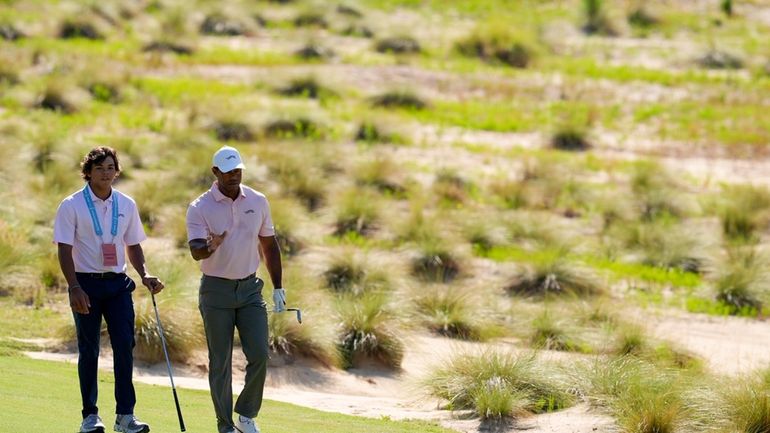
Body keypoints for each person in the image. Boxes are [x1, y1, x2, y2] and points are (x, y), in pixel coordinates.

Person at [54, 146, 164, 433]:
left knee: (125, 347)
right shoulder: (71, 204)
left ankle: (125, 416)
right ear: (88, 172)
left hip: (117, 285)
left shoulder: (126, 204)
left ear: (117, 171)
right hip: (85, 284)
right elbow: (64, 250)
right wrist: (74, 286)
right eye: (100, 167)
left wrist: (145, 274)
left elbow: (133, 244)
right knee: (88, 349)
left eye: (111, 167)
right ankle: (90, 416)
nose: (106, 173)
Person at [186, 145, 285, 433]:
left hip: (250, 289)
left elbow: (269, 244)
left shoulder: (257, 200)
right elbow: (195, 250)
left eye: (238, 170)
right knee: (221, 361)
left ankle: (246, 415)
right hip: (215, 291)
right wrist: (209, 246)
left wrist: (278, 287)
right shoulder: (200, 206)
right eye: (228, 171)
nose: (234, 175)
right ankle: (225, 424)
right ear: (215, 172)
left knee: (259, 354)